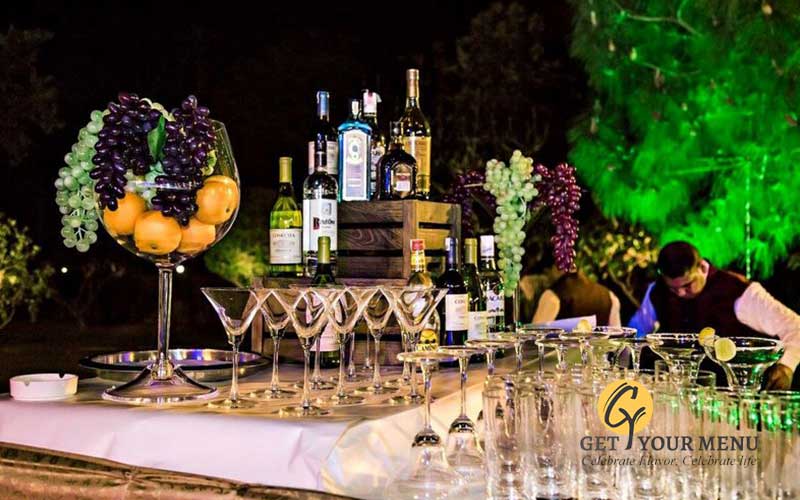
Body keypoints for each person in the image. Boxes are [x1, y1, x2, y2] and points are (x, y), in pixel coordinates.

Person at [629, 241, 800, 390]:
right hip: (680, 390)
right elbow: (636, 332)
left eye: (687, 285)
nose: (680, 293)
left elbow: (795, 326)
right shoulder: (657, 291)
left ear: (702, 267)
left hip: (736, 393)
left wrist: (786, 366)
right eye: (673, 288)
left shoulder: (740, 292)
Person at [532, 269, 622, 327]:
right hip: (598, 351)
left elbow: (534, 338)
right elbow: (616, 338)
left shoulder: (552, 295)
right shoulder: (610, 296)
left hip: (560, 351)